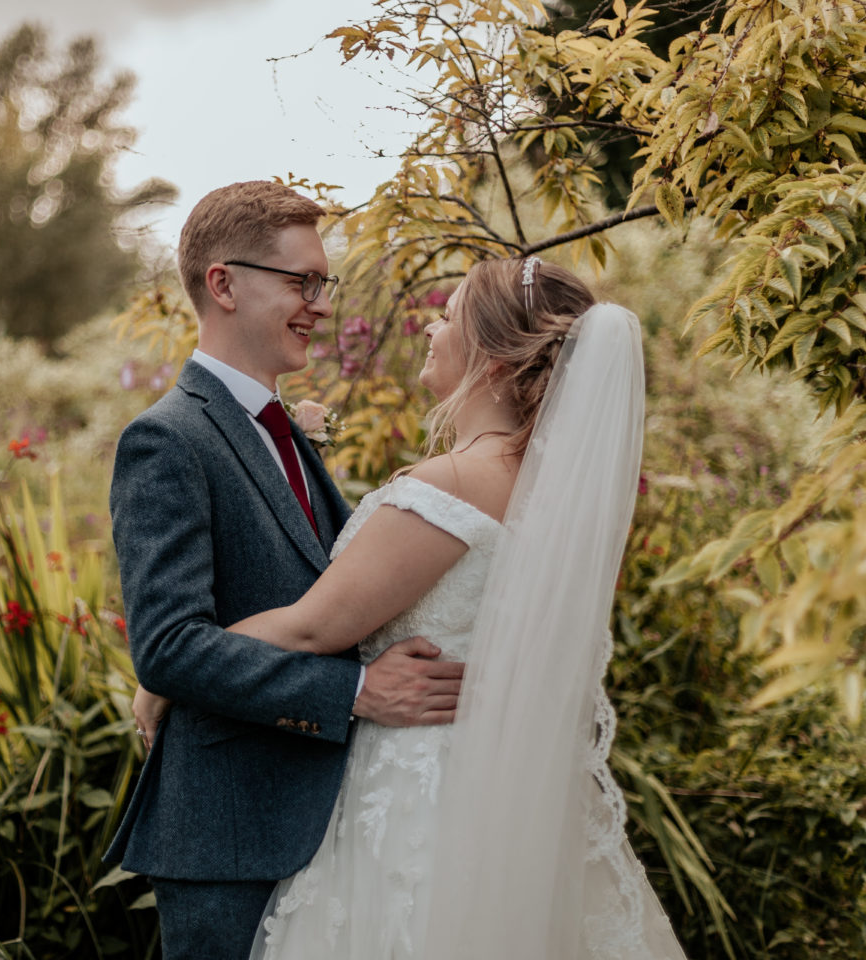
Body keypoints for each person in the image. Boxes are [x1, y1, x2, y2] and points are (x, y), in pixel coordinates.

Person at [135, 255, 688, 959]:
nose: (431, 325)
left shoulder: (456, 480)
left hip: (413, 794)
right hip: (490, 785)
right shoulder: (545, 488)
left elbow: (313, 624)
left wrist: (161, 677)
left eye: (450, 315)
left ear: (491, 359)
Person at [104, 180, 466, 960]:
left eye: (322, 283)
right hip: (230, 835)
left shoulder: (286, 432)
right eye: (301, 282)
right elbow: (167, 648)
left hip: (327, 823)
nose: (321, 304)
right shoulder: (166, 441)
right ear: (223, 284)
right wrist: (360, 692)